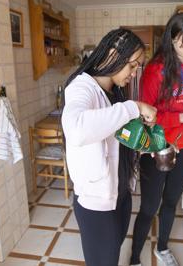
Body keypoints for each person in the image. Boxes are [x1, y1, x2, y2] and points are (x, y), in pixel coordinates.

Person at [62, 28, 157, 266]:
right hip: (96, 204)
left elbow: (116, 138)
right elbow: (77, 128)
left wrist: (145, 142)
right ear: (114, 54)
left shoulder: (113, 92)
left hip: (120, 194)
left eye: (138, 67)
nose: (134, 74)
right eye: (133, 66)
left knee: (112, 255)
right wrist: (134, 107)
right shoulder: (81, 87)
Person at [129, 12, 183, 266]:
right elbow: (147, 117)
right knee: (149, 207)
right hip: (158, 146)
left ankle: (162, 248)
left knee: (171, 202)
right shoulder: (156, 71)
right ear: (171, 39)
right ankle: (134, 258)